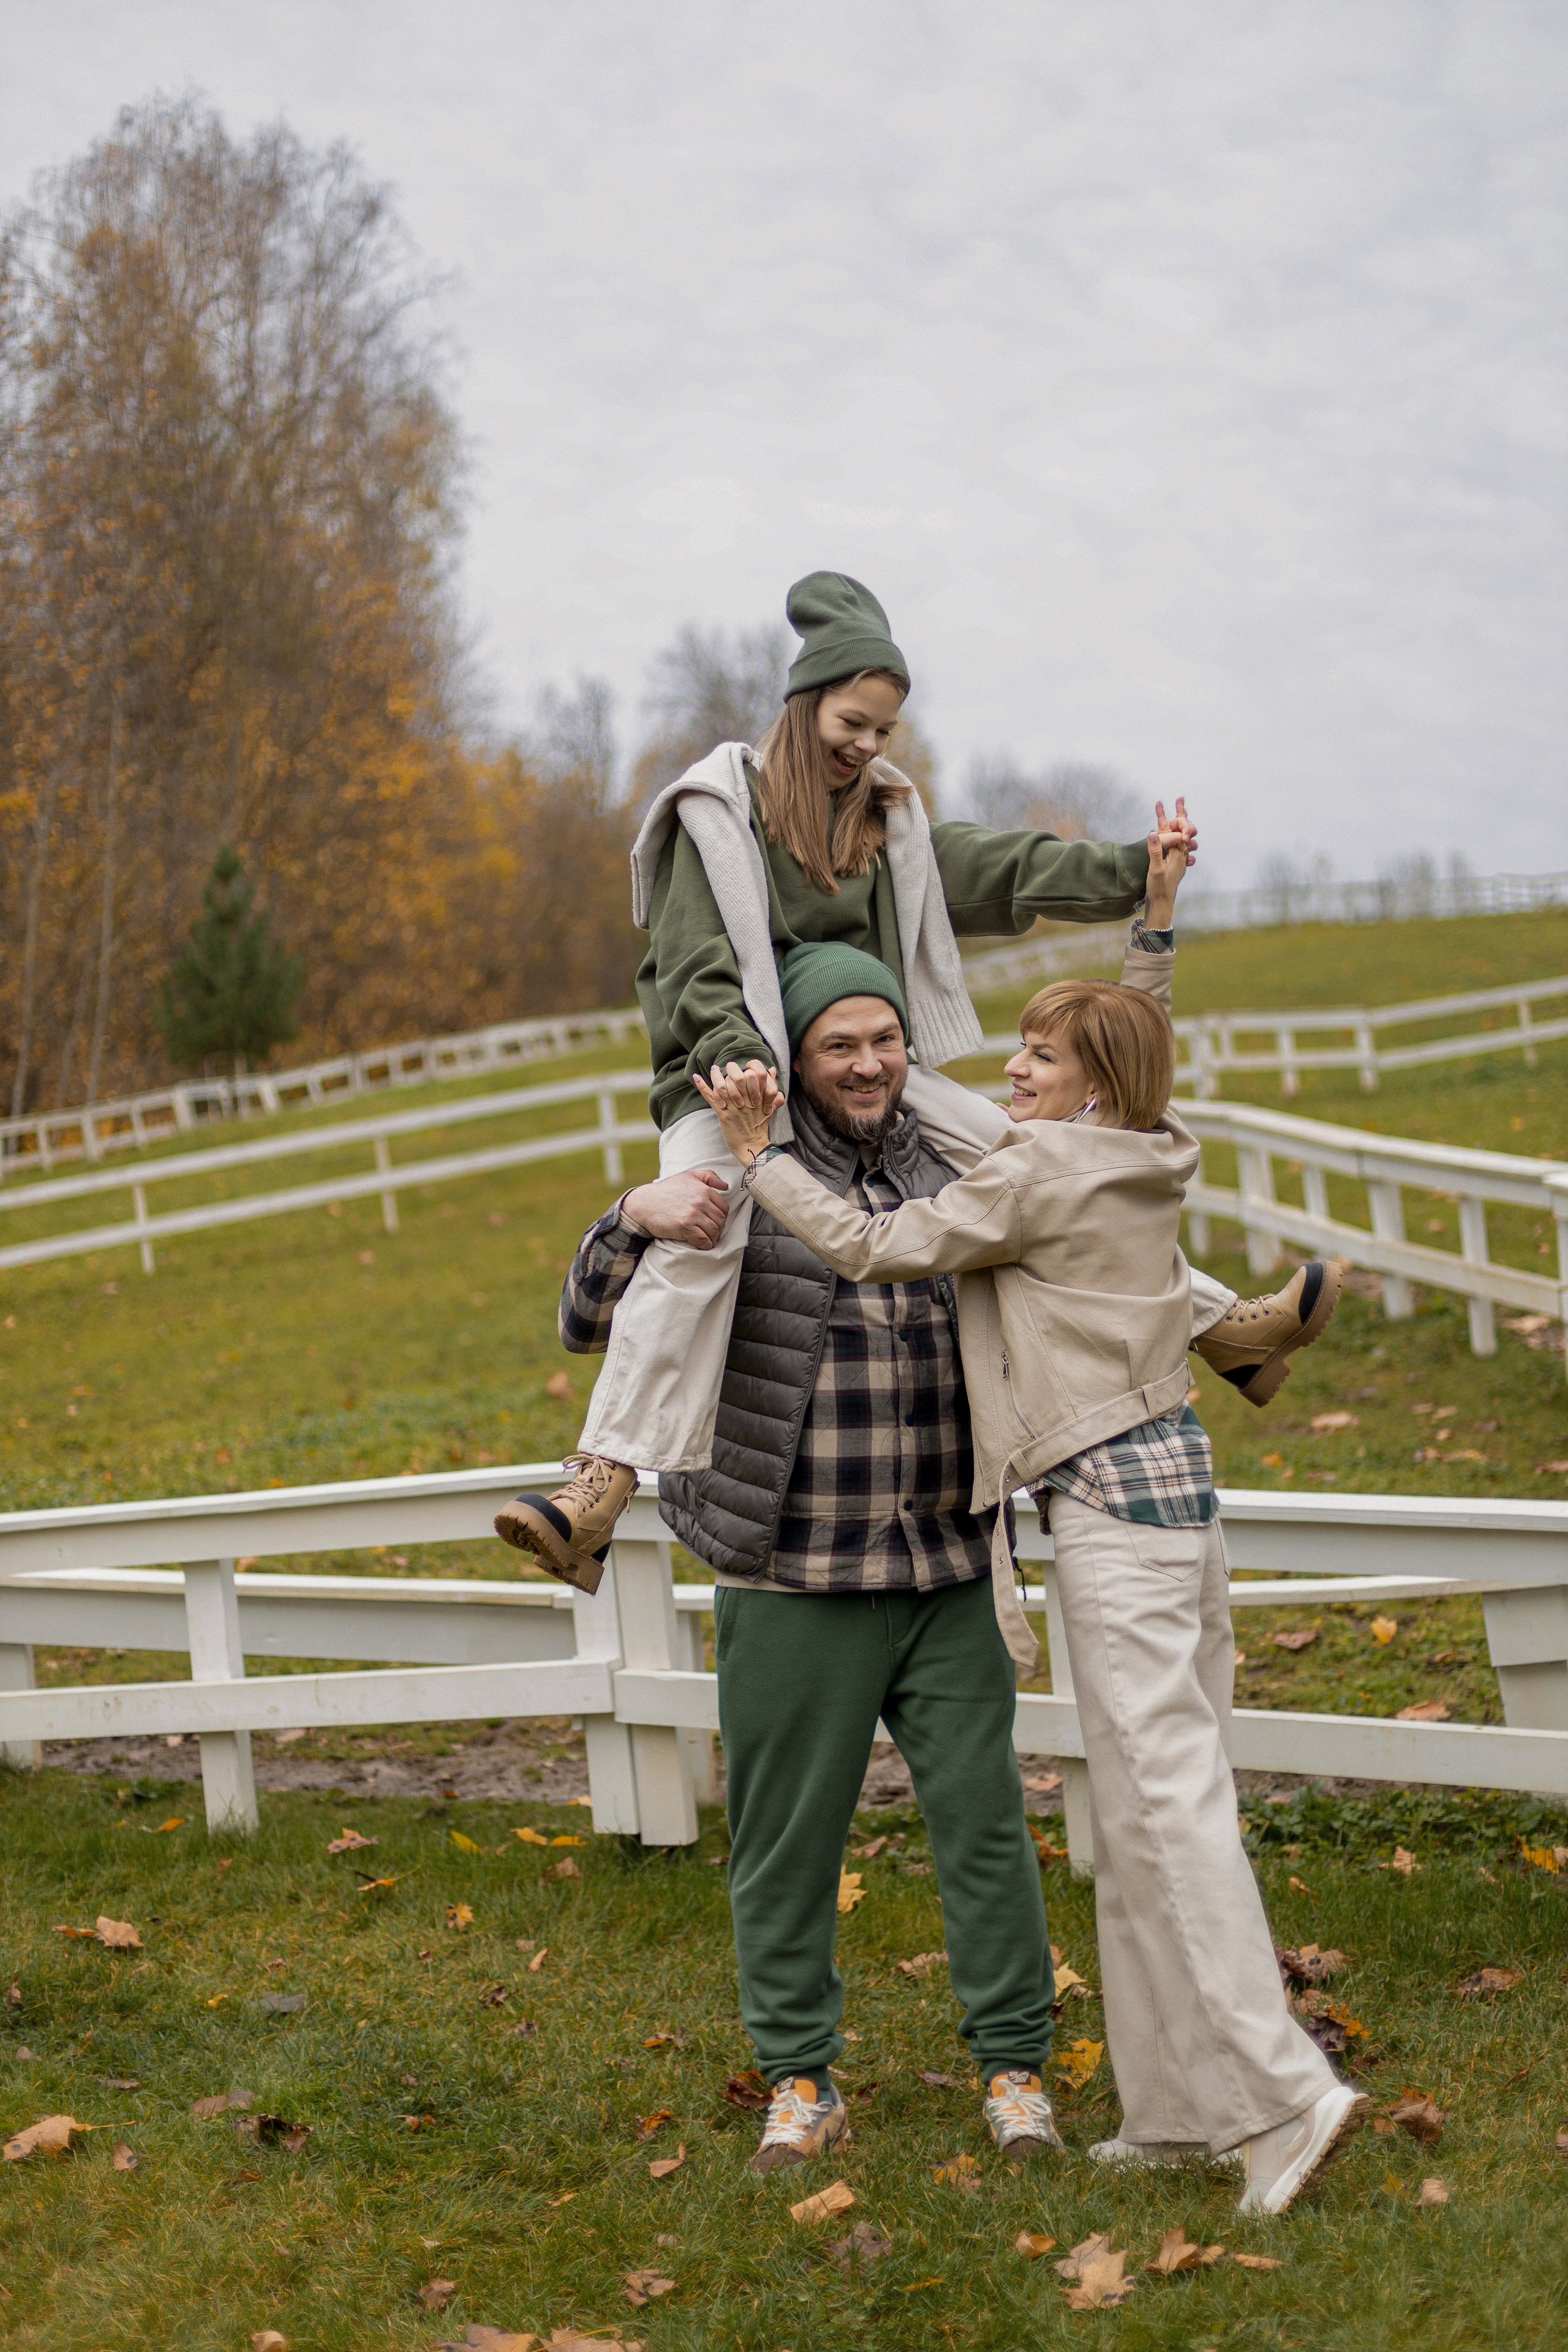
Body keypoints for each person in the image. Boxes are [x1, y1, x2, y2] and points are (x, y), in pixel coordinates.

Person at [696, 820, 1362, 2218]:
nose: (1007, 1071)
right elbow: (1135, 1030)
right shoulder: (1137, 1138)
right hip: (1178, 1504)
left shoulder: (1033, 1172)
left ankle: (1286, 2096)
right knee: (1124, 1821)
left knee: (1162, 1812)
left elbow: (876, 1244)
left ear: (1085, 1087)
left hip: (1115, 1521)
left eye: (1035, 1061)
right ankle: (1175, 2112)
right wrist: (1154, 923)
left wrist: (760, 1155)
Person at [495, 573, 1327, 1588]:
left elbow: (1001, 870)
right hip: (735, 1071)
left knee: (1035, 1162)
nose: (869, 745)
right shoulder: (715, 819)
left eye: (886, 729)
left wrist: (1131, 871)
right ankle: (601, 1479)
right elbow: (693, 963)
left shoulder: (889, 826)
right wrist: (740, 1067)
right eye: (855, 722)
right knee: (705, 1230)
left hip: (866, 1059)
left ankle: (1222, 1328)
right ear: (806, 708)